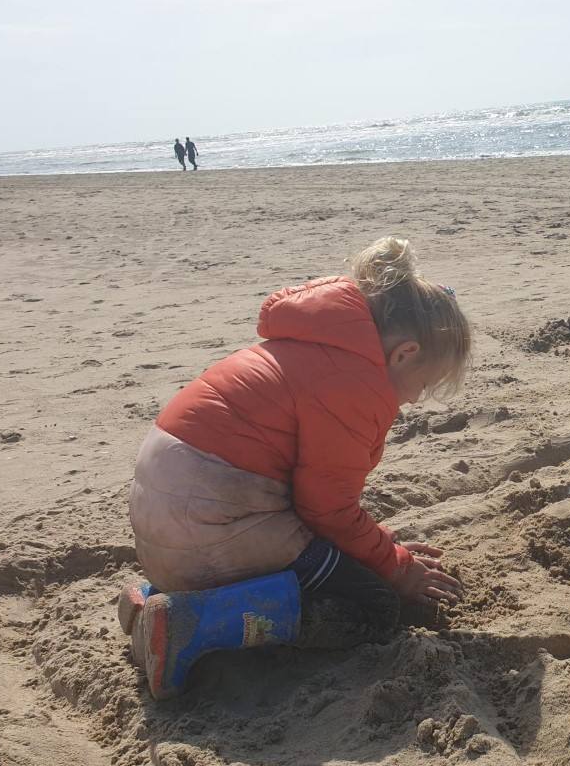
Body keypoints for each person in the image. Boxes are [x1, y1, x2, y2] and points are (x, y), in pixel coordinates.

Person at [120, 236, 472, 698]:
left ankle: (158, 596)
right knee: (373, 603)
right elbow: (327, 511)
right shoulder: (355, 385)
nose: (415, 399)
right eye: (423, 385)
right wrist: (398, 569)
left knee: (329, 562)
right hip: (212, 520)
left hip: (170, 517)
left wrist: (379, 545)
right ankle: (191, 621)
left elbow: (313, 501)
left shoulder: (318, 347)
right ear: (404, 353)